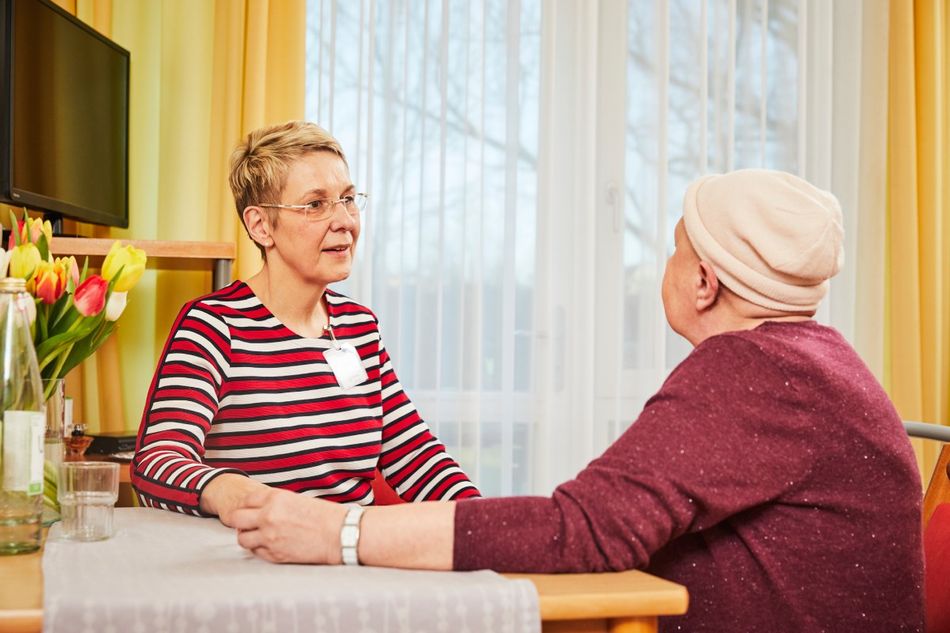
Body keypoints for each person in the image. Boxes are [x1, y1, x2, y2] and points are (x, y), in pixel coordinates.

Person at [229, 169, 925, 631]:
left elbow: (585, 531)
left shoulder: (750, 368)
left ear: (704, 282)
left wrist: (339, 532)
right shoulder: (817, 359)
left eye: (675, 250)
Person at [131, 121, 479, 525]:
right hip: (256, 554)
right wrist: (239, 495)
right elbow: (157, 462)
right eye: (315, 205)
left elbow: (415, 455)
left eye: (347, 199)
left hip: (347, 552)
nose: (345, 221)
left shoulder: (360, 327)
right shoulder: (215, 326)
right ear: (261, 226)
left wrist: (487, 521)